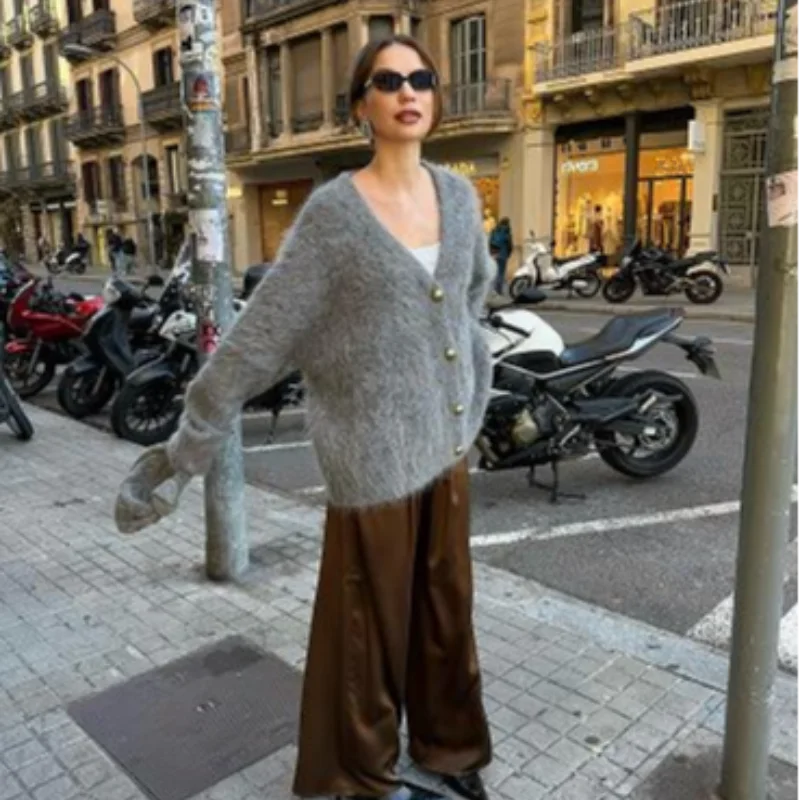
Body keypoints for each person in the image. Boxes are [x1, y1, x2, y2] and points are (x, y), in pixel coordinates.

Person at [114, 34, 495, 800]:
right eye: (389, 81)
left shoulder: (459, 197)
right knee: (368, 635)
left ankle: (451, 753)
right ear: (363, 104)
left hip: (447, 448)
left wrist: (474, 388)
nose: (409, 91)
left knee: (447, 614)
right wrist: (187, 446)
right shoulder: (333, 216)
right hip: (371, 463)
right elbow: (262, 337)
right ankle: (352, 778)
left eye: (421, 78)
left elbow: (473, 298)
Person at [488, 217, 513, 295]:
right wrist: (509, 253)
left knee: (496, 271)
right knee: (501, 272)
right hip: (503, 254)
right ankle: (499, 289)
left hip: (495, 253)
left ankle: (494, 288)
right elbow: (510, 245)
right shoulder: (507, 232)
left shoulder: (495, 230)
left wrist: (491, 251)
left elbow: (490, 241)